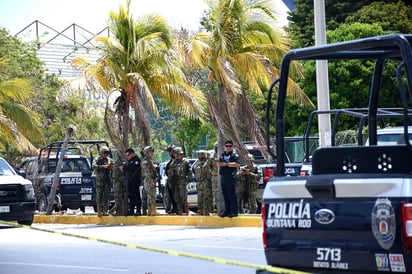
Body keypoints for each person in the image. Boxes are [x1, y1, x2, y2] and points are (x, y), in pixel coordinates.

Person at [218, 140, 241, 217]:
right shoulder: (222, 155)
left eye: (230, 146)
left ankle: (234, 212)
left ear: (232, 147)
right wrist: (222, 164)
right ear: (224, 147)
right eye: (227, 146)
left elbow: (237, 164)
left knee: (232, 195)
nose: (228, 147)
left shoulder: (234, 155)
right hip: (223, 177)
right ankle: (227, 211)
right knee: (225, 195)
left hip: (230, 177)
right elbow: (220, 163)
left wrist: (227, 164)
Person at [92, 146, 114, 217]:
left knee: (106, 196)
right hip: (99, 181)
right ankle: (99, 211)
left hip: (107, 180)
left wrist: (110, 167)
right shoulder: (97, 159)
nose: (105, 154)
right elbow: (94, 166)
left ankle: (105, 211)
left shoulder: (109, 160)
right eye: (104, 153)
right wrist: (103, 166)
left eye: (106, 153)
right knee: (99, 196)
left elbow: (113, 166)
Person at [192, 150, 213, 215]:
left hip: (206, 182)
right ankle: (201, 211)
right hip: (199, 183)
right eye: (199, 155)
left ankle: (206, 212)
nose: (200, 157)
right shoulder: (197, 163)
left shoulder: (208, 162)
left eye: (201, 155)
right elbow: (193, 171)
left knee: (206, 198)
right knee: (200, 198)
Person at [171, 147, 191, 215]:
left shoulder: (185, 162)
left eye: (177, 154)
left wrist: (188, 180)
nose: (176, 155)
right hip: (175, 182)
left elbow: (189, 172)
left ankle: (187, 211)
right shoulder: (173, 162)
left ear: (181, 154)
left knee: (183, 197)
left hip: (182, 182)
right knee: (177, 198)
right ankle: (180, 212)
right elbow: (170, 172)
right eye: (175, 154)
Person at [123, 148, 142, 216]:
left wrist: (126, 167)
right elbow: (125, 168)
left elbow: (133, 167)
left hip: (135, 181)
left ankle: (138, 210)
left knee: (136, 195)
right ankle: (131, 210)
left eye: (128, 155)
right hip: (130, 181)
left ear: (132, 154)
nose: (127, 157)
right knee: (130, 196)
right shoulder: (129, 161)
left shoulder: (137, 160)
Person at [141, 146, 159, 216]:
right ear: (147, 153)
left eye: (152, 152)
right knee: (152, 196)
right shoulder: (145, 161)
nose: (152, 153)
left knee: (150, 196)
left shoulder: (149, 161)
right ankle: (152, 211)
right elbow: (147, 173)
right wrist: (151, 181)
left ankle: (150, 211)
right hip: (149, 180)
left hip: (149, 180)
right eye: (151, 152)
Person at [110, 150, 128, 216]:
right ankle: (118, 210)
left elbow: (123, 172)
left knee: (119, 197)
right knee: (117, 197)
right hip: (116, 181)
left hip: (119, 181)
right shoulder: (117, 161)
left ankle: (119, 211)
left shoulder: (123, 162)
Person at [164, 145, 177, 214]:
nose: (170, 153)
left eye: (171, 151)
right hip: (170, 180)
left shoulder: (177, 160)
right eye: (169, 152)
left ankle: (178, 208)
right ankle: (174, 208)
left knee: (177, 196)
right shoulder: (170, 161)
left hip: (176, 181)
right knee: (171, 195)